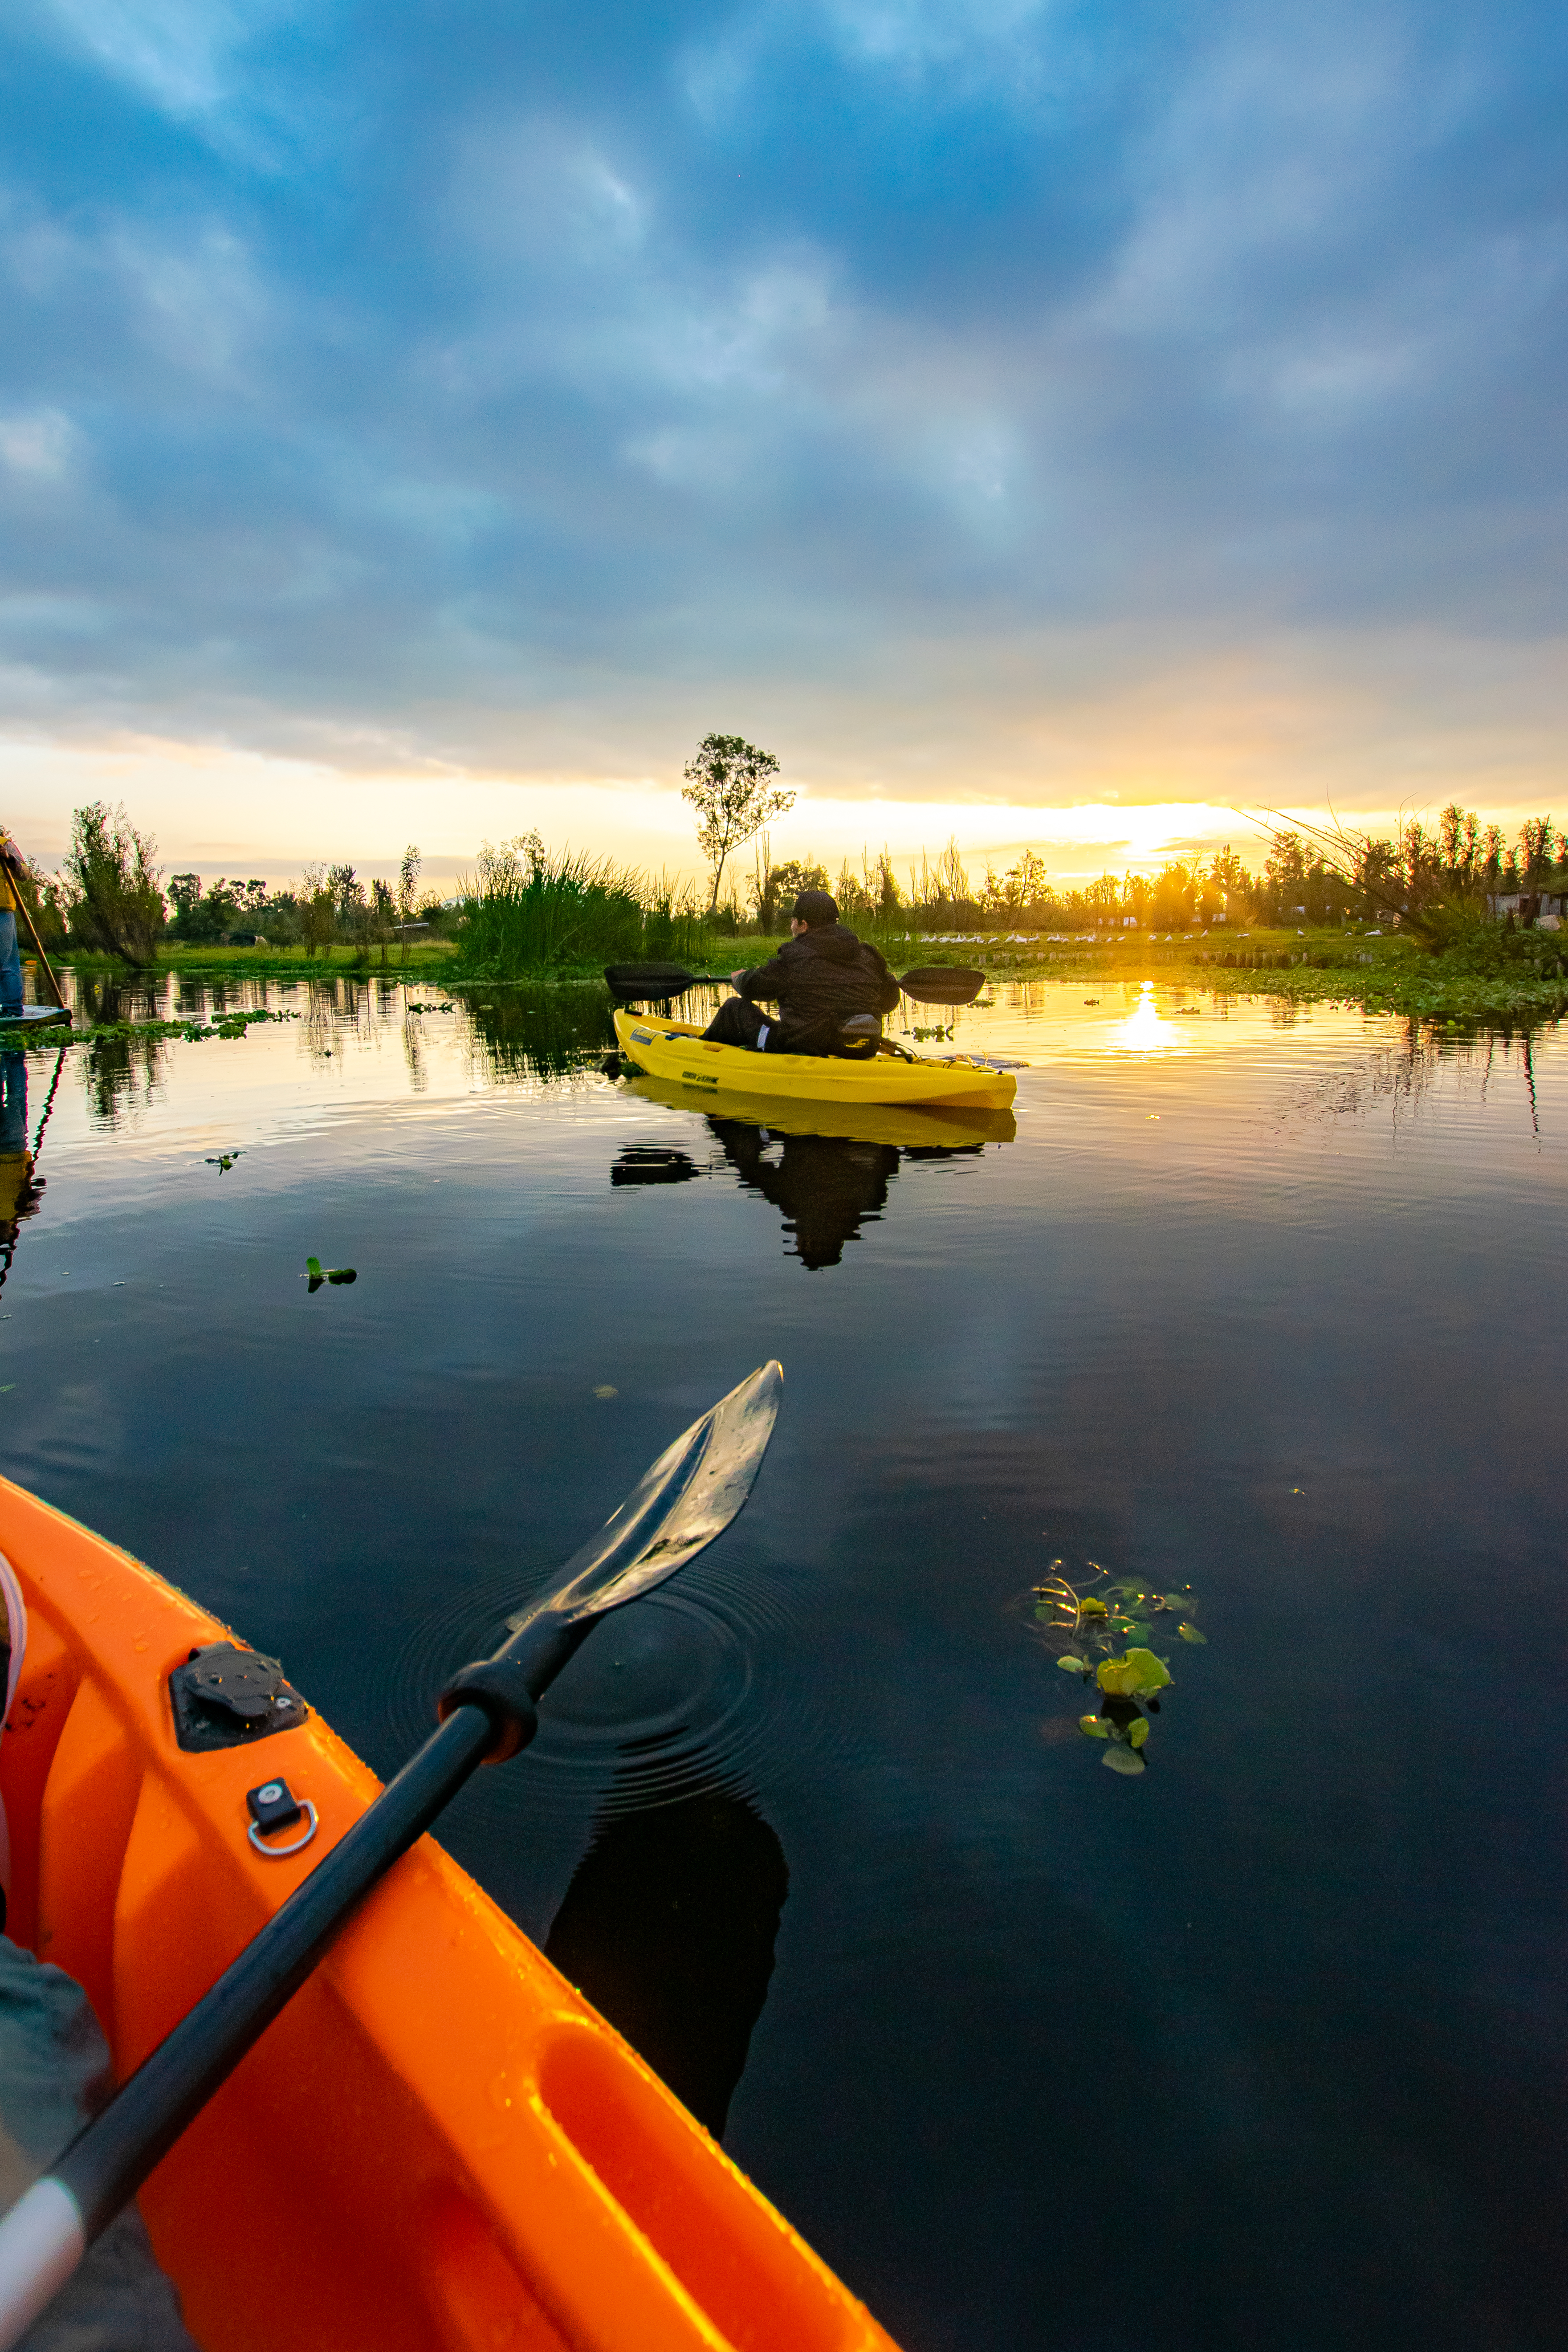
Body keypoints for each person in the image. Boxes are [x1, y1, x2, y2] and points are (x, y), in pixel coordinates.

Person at [702, 889, 901, 1056]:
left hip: (806, 1046)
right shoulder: (869, 955)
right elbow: (889, 1002)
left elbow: (753, 988)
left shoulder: (795, 956)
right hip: (861, 1048)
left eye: (793, 921)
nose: (791, 927)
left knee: (734, 1009)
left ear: (803, 925)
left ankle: (704, 1057)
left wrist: (739, 978)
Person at [0, 832, 28, 1019]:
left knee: (6, 965)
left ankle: (12, 1010)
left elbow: (25, 874)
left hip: (2, 912)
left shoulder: (5, 844)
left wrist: (8, 858)